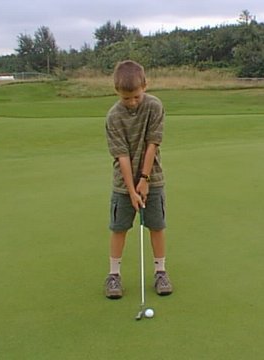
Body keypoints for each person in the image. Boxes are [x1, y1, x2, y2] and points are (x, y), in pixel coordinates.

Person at [104, 60, 173, 299]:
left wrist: (144, 180)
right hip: (123, 183)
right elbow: (121, 155)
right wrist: (132, 189)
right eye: (126, 99)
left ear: (145, 85)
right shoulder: (113, 116)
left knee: (157, 225)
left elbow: (152, 143)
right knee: (119, 227)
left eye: (136, 96)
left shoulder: (154, 106)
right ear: (116, 91)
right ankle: (113, 276)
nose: (132, 102)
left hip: (153, 177)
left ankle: (161, 271)